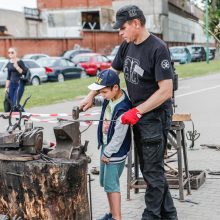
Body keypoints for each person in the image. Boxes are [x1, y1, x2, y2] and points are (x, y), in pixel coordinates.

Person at [80, 5, 178, 220]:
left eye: (122, 28)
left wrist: (138, 111)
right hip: (137, 115)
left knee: (151, 173)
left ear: (136, 23)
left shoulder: (158, 48)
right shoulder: (127, 46)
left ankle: (150, 216)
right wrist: (89, 96)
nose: (120, 33)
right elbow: (111, 72)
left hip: (153, 117)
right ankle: (170, 215)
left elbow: (166, 91)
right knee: (152, 171)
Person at [87, 69, 131, 220]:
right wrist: (89, 103)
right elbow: (103, 100)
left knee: (112, 185)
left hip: (114, 152)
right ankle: (111, 214)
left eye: (104, 92)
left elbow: (119, 137)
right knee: (106, 183)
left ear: (115, 88)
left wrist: (107, 153)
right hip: (107, 147)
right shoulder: (111, 98)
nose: (102, 95)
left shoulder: (123, 108)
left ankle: (117, 217)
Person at [5, 47, 28, 111]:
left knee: (15, 103)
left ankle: (21, 117)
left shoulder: (20, 62)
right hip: (11, 84)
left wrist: (17, 67)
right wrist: (7, 87)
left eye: (12, 52)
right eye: (9, 52)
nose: (10, 54)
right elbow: (8, 76)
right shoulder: (9, 63)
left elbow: (25, 72)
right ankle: (24, 116)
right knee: (13, 104)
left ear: (16, 53)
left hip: (19, 83)